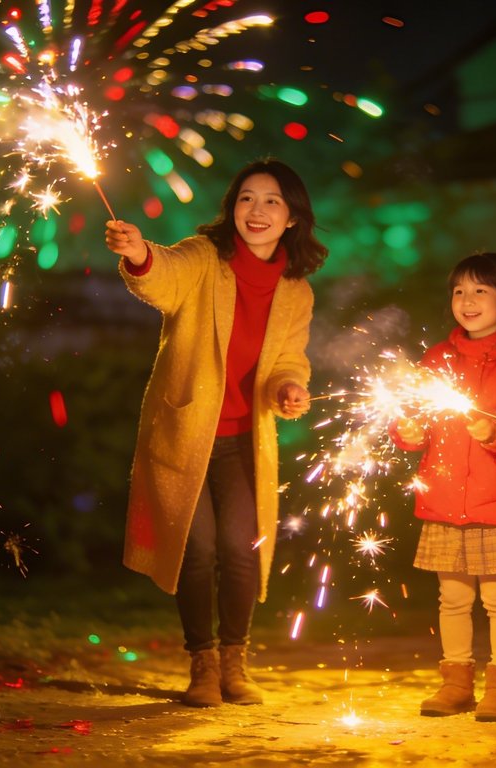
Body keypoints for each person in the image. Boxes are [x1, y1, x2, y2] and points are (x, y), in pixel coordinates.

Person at [105, 158, 327, 707]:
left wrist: (289, 388)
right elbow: (165, 277)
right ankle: (201, 663)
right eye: (246, 197)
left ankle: (236, 661)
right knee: (196, 546)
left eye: (272, 200)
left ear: (293, 217)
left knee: (241, 546)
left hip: (246, 439)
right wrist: (140, 254)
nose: (257, 210)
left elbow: (288, 359)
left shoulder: (296, 290)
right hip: (186, 430)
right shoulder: (205, 258)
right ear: (232, 208)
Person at [393, 252, 496, 722]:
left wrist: (495, 434)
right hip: (443, 501)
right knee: (452, 598)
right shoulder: (437, 357)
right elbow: (414, 419)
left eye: (481, 290)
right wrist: (409, 432)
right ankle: (456, 683)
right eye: (460, 290)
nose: (468, 300)